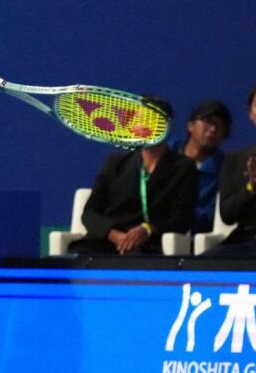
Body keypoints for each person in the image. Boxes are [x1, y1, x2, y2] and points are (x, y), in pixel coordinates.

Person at [68, 97, 198, 255]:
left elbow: (182, 218)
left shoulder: (183, 167)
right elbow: (90, 213)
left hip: (151, 242)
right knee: (76, 256)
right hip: (108, 240)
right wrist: (113, 234)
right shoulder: (115, 163)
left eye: (153, 120)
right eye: (140, 119)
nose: (145, 126)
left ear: (167, 126)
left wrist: (148, 229)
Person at [203, 79, 256, 258]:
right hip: (245, 240)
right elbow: (227, 214)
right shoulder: (235, 159)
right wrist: (251, 188)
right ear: (250, 114)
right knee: (203, 263)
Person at [170, 100, 232, 233]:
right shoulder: (165, 153)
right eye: (208, 121)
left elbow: (210, 215)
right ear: (190, 125)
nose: (214, 129)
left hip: (191, 239)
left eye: (221, 126)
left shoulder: (226, 169)